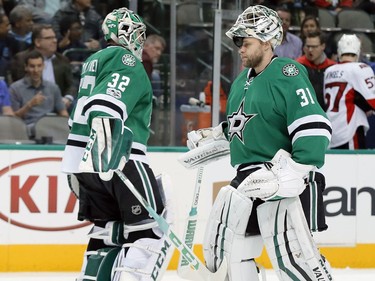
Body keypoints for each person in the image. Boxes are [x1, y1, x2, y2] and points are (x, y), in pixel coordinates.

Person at [184, 5, 333, 281]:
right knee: (236, 257)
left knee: (294, 262)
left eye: (246, 42)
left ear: (266, 42)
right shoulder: (242, 80)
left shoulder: (288, 72)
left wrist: (296, 171)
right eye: (238, 42)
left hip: (282, 179)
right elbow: (245, 126)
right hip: (247, 182)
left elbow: (314, 125)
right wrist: (215, 134)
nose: (240, 47)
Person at [61, 7, 173, 281]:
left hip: (82, 165)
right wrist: (108, 149)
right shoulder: (126, 59)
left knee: (105, 233)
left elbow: (81, 115)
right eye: (139, 34)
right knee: (149, 234)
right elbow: (106, 105)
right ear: (128, 34)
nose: (141, 41)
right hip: (118, 159)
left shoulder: (94, 60)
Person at [324, 34, 375, 149]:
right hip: (349, 130)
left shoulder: (328, 71)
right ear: (358, 50)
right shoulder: (361, 68)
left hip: (331, 131)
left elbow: (351, 95)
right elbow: (372, 101)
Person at [10, 24, 75, 111]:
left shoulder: (62, 60)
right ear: (37, 42)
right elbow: (19, 87)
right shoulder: (22, 59)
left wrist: (68, 98)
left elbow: (71, 84)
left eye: (54, 37)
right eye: (49, 38)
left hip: (59, 104)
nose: (55, 40)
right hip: (31, 103)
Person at [9, 50, 68, 136]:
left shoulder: (53, 88)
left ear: (43, 66)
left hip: (50, 127)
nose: (36, 70)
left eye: (39, 66)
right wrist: (29, 105)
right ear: (26, 67)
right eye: (32, 66)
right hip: (26, 128)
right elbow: (13, 119)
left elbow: (63, 113)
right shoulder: (15, 88)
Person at [296, 30, 336, 110]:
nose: (310, 50)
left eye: (314, 47)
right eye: (308, 46)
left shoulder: (333, 67)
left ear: (323, 46)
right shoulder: (298, 66)